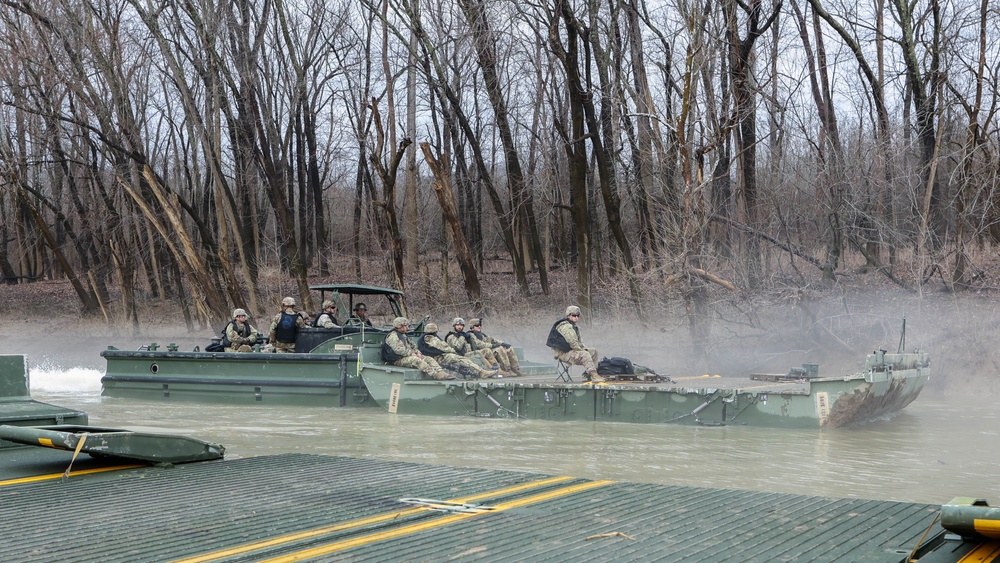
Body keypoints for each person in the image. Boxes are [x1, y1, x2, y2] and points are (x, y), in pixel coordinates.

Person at [381, 317, 454, 380]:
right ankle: (435, 375)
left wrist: (418, 353)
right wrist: (411, 354)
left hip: (406, 356)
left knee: (428, 359)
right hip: (397, 360)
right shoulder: (393, 336)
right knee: (416, 360)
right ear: (400, 326)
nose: (407, 328)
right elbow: (398, 350)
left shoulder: (403, 335)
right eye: (405, 326)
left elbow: (413, 346)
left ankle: (441, 372)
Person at [417, 323, 497, 379]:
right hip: (437, 358)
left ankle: (482, 371)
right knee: (459, 359)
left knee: (464, 359)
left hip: (438, 357)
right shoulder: (428, 337)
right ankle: (481, 372)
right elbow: (443, 347)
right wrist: (453, 351)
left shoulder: (426, 337)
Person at [546, 305, 603, 382]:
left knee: (594, 351)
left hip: (570, 351)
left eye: (578, 315)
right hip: (563, 353)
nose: (576, 317)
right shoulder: (566, 327)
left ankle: (590, 375)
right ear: (568, 315)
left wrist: (584, 349)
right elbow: (573, 343)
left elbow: (579, 343)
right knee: (585, 354)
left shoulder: (573, 326)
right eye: (574, 315)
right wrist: (583, 351)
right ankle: (594, 375)